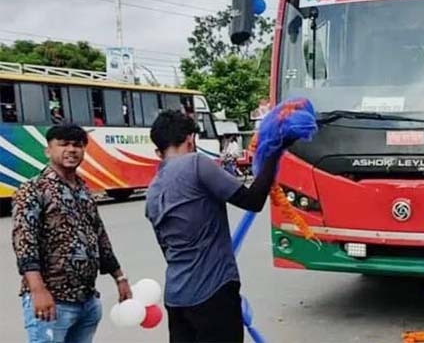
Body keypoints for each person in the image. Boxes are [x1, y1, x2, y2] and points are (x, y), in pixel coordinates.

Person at [145, 110, 288, 343]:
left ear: (158, 149)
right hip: (213, 293)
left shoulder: (153, 189)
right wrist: (275, 151)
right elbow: (252, 201)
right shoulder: (197, 164)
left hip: (176, 298)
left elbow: (166, 250)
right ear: (191, 139)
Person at [12, 124, 132, 343]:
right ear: (48, 150)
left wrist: (120, 277)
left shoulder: (83, 189)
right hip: (51, 302)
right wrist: (38, 290)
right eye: (63, 144)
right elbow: (24, 242)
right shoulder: (33, 189)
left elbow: (99, 235)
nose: (71, 150)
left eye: (77, 145)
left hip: (86, 301)